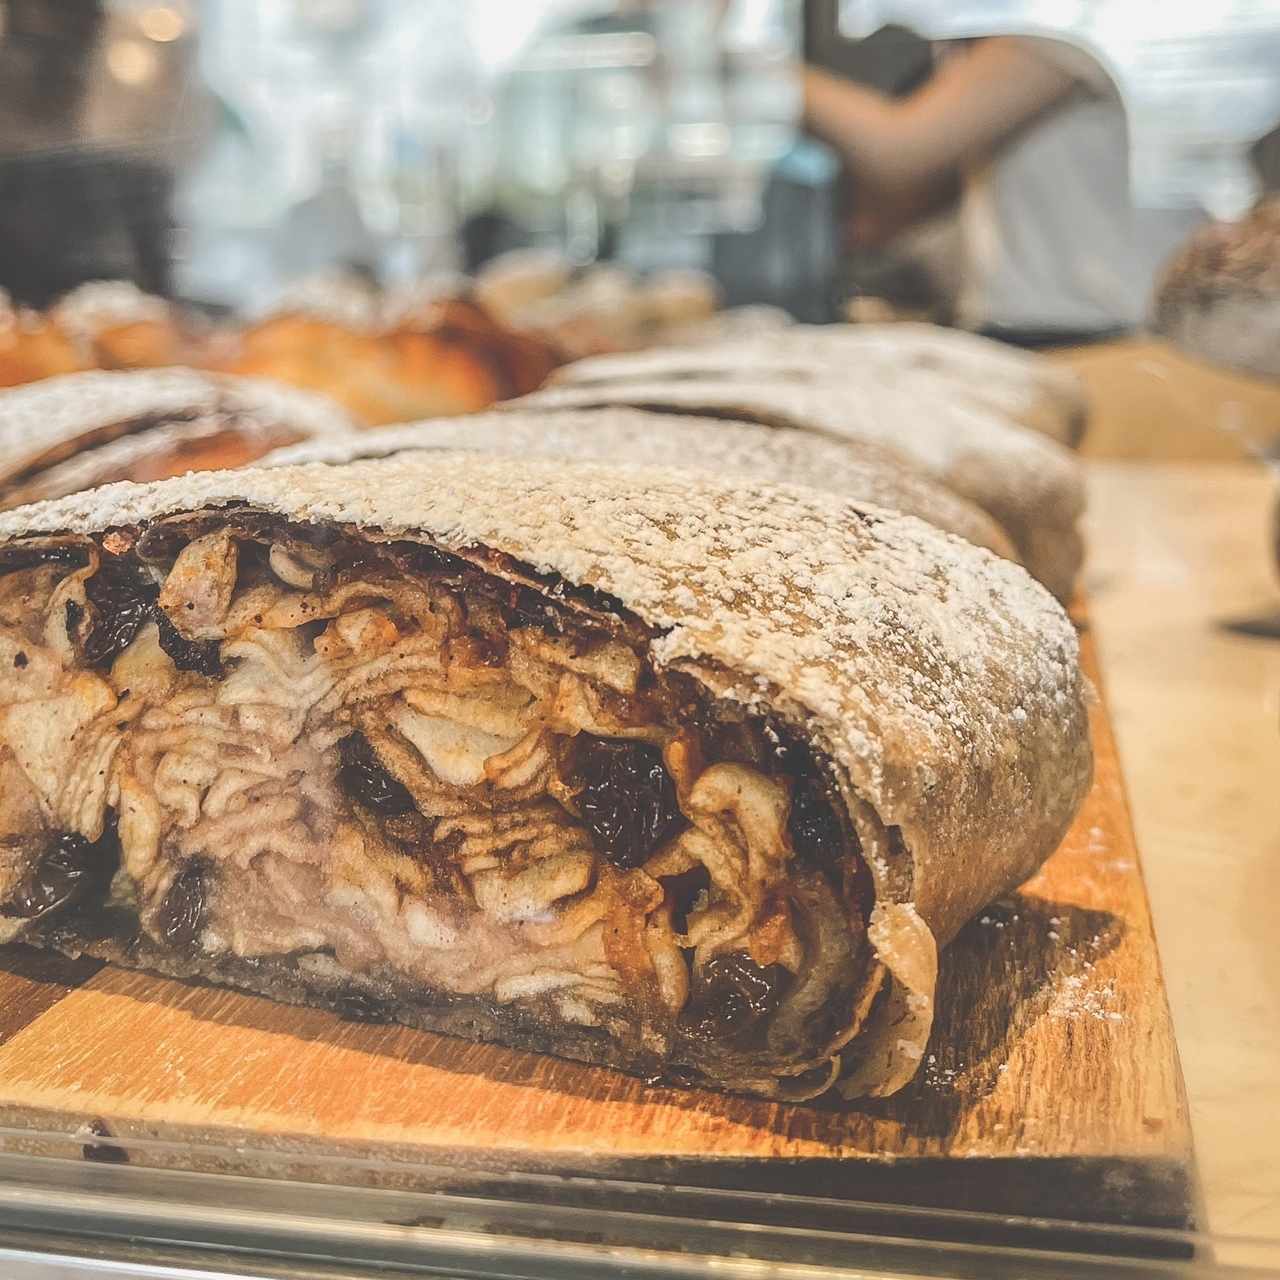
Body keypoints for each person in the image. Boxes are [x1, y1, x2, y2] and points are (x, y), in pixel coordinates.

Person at [803, 36, 1204, 344]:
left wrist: (755, 57)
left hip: (1111, 336)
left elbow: (903, 147)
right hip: (1045, 328)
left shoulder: (1066, 25)